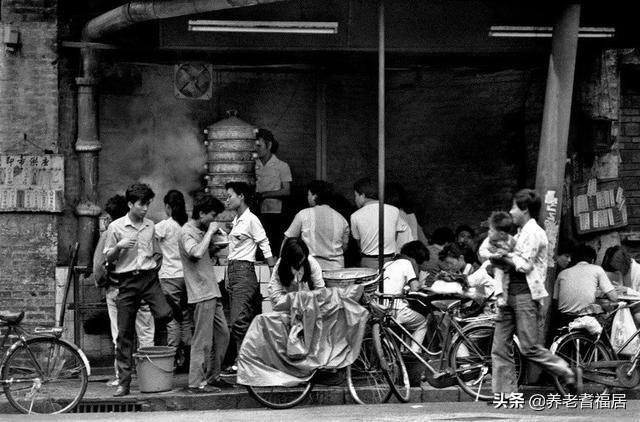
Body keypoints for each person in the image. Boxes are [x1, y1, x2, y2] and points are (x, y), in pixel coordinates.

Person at [490, 189, 577, 396]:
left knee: (529, 347)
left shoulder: (534, 233)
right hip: (508, 295)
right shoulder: (519, 234)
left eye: (513, 207)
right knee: (500, 347)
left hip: (525, 297)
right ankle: (506, 395)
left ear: (525, 209)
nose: (510, 212)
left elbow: (524, 265)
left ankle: (564, 370)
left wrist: (502, 258)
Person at [103, 183, 173, 397]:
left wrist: (156, 263)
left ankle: (173, 311)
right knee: (124, 334)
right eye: (141, 204)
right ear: (130, 204)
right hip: (127, 281)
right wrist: (119, 247)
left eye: (147, 204)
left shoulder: (151, 225)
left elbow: (156, 250)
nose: (145, 209)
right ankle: (124, 383)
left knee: (164, 314)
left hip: (149, 278)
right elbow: (107, 257)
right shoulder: (115, 227)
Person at [93, 194, 155, 388]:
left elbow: (99, 265)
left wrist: (101, 282)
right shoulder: (147, 227)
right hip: (143, 285)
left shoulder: (110, 232)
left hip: (117, 289)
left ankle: (122, 378)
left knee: (120, 334)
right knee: (146, 333)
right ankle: (149, 378)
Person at [179, 193, 231, 393]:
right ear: (201, 213)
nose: (213, 220)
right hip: (201, 292)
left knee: (223, 335)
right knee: (203, 340)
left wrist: (215, 241)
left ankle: (213, 376)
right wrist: (210, 232)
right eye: (211, 215)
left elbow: (204, 254)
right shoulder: (187, 232)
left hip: (211, 290)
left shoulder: (200, 230)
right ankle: (196, 383)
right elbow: (196, 253)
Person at [225, 182, 276, 373]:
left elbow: (264, 243)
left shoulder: (251, 220)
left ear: (241, 196)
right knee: (238, 319)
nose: (227, 200)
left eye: (230, 196)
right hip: (233, 271)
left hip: (245, 270)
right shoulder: (238, 220)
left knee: (239, 319)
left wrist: (272, 270)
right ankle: (242, 360)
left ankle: (245, 361)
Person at [155, 190, 193, 364]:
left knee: (172, 320)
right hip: (187, 277)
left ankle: (173, 359)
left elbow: (147, 237)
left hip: (170, 277)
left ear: (168, 207)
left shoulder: (165, 225)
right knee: (185, 318)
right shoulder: (188, 225)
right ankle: (189, 357)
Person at [283, 180, 350, 270]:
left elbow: (288, 241)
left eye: (308, 194)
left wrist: (281, 265)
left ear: (315, 196)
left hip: (311, 269)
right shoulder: (341, 219)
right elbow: (344, 246)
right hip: (336, 270)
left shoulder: (303, 214)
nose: (307, 197)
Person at [553, 244, 617, 329]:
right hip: (586, 318)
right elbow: (613, 297)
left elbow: (555, 302)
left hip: (564, 319)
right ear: (593, 260)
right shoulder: (597, 269)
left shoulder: (562, 274)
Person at [350, 177, 409, 269]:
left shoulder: (355, 216)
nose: (355, 199)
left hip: (367, 262)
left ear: (363, 195)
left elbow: (359, 243)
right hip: (390, 261)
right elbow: (395, 237)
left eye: (356, 195)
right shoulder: (394, 210)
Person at [382, 241, 430, 353]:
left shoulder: (387, 264)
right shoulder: (407, 263)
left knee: (407, 319)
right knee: (423, 322)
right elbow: (415, 288)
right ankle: (415, 352)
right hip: (396, 310)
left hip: (383, 310)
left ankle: (402, 352)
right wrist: (421, 280)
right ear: (414, 258)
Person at [254, 128, 292, 257]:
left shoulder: (282, 166)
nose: (256, 149)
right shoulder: (252, 165)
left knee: (273, 244)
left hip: (276, 213)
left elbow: (286, 191)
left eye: (259, 145)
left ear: (269, 145)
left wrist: (264, 195)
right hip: (257, 211)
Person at [268, 238, 325, 306]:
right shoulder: (280, 264)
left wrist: (310, 304)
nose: (300, 262)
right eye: (298, 260)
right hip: (286, 305)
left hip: (309, 305)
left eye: (302, 258)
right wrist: (291, 303)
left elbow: (320, 290)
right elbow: (274, 292)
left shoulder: (311, 263)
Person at [478, 211, 516, 306]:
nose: (488, 232)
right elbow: (482, 251)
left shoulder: (512, 241)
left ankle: (505, 300)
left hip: (508, 266)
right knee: (498, 277)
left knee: (506, 282)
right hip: (496, 265)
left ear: (502, 234)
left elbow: (517, 254)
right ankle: (499, 296)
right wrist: (492, 255)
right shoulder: (489, 241)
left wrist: (507, 254)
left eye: (491, 230)